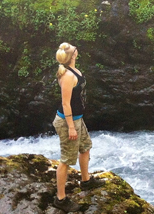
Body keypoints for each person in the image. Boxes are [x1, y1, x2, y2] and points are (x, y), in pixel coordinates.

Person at [52, 42, 104, 212]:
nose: (77, 49)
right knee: (66, 160)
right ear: (72, 55)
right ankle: (60, 199)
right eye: (74, 49)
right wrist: (71, 127)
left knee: (85, 148)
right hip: (68, 122)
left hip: (77, 119)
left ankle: (86, 181)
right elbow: (65, 104)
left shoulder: (75, 71)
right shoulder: (67, 76)